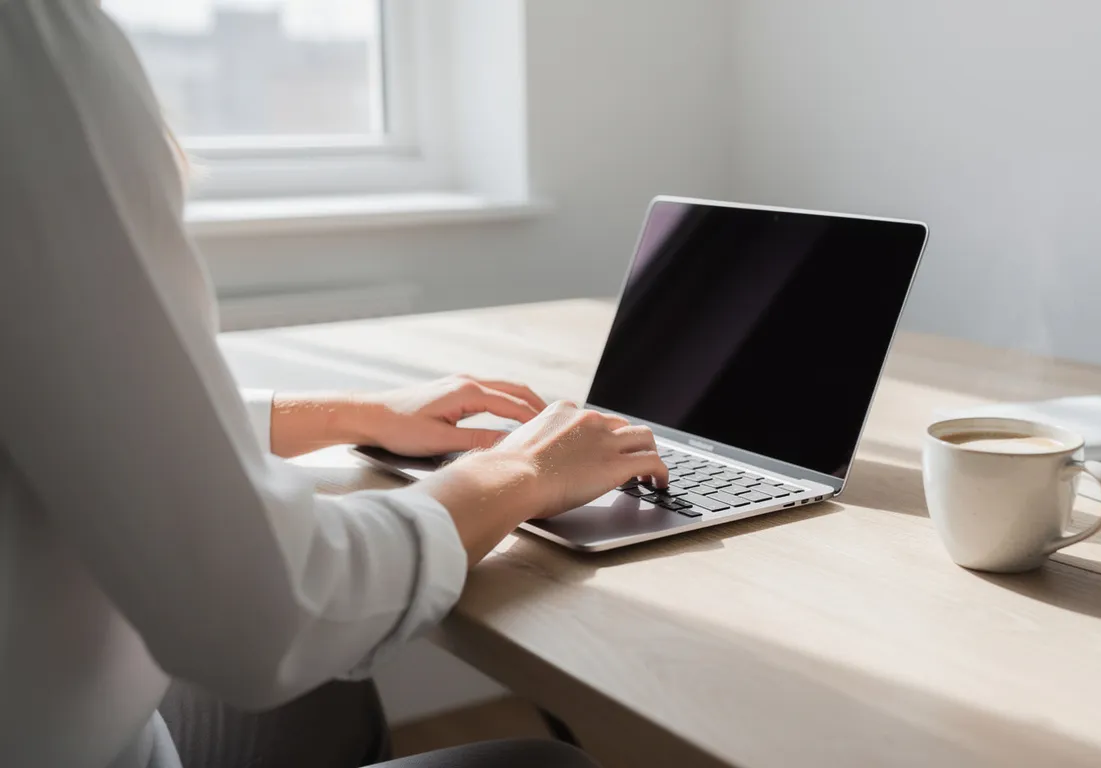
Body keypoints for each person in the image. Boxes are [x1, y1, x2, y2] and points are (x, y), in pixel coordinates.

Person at [0, 1, 668, 767]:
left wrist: (346, 415)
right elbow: (266, 612)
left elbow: (68, 404)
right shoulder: (29, 43)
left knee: (328, 677)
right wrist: (518, 474)